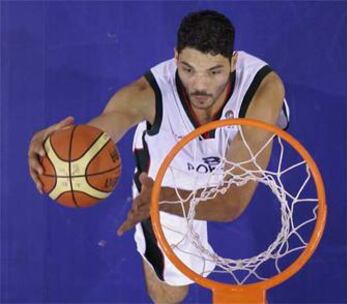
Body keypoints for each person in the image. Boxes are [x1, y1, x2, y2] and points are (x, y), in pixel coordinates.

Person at [28, 10, 289, 304]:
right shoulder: (146, 94)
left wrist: (160, 199)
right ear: (176, 57)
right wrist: (55, 148)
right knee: (171, 292)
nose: (200, 86)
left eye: (214, 72)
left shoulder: (262, 91)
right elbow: (97, 136)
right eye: (188, 69)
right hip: (166, 169)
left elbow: (231, 202)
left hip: (231, 157)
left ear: (233, 62)